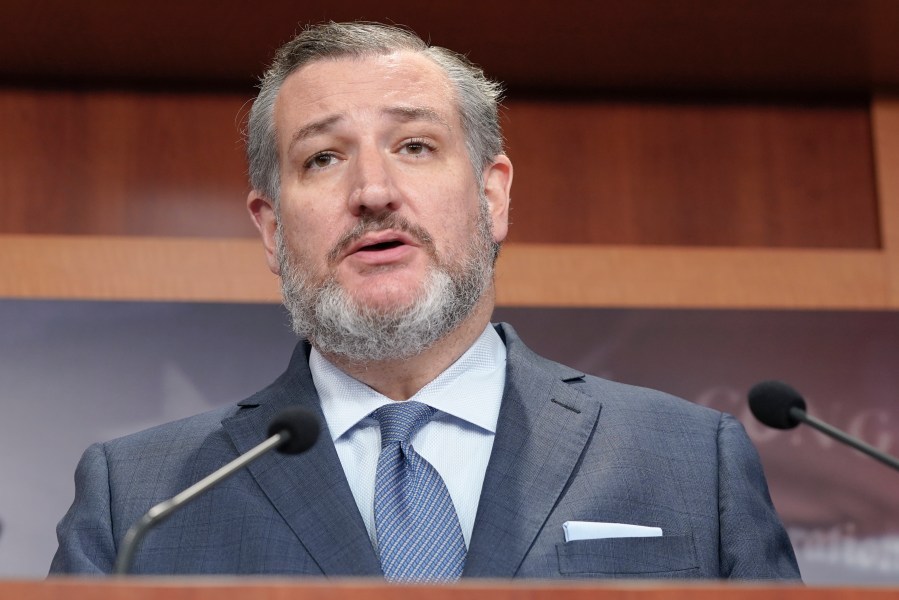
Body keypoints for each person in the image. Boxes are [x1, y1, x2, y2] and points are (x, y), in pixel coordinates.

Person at [50, 21, 800, 580]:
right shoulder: (142, 500)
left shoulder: (688, 461)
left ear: (491, 194)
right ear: (273, 229)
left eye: (414, 146)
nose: (373, 192)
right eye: (322, 158)